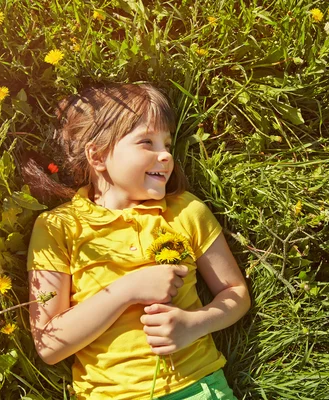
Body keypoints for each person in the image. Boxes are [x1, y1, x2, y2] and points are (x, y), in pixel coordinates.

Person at [25, 83, 250, 400]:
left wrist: (195, 324)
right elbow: (49, 345)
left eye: (168, 143)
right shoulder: (58, 227)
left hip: (195, 388)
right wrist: (127, 290)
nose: (166, 155)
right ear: (98, 154)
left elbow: (235, 293)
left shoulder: (185, 211)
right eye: (147, 141)